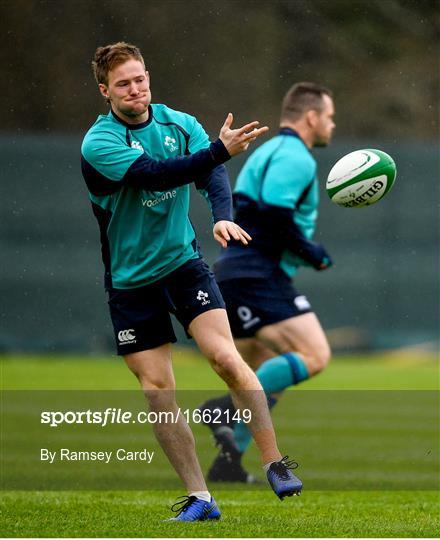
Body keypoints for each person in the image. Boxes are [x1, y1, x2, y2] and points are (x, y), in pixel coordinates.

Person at [81, 42, 302, 522]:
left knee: (225, 357)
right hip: (130, 282)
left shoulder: (179, 123)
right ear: (105, 91)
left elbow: (211, 174)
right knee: (157, 390)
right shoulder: (99, 143)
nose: (135, 88)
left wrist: (222, 216)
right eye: (123, 83)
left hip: (183, 264)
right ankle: (201, 498)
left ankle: (274, 461)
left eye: (140, 78)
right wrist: (218, 149)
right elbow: (155, 174)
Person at [200, 82, 336, 483]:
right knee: (314, 355)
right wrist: (313, 253)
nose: (331, 124)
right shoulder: (297, 157)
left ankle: (229, 462)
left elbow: (251, 211)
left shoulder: (264, 153)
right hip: (259, 274)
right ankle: (223, 408)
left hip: (233, 271)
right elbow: (274, 216)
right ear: (311, 117)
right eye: (329, 116)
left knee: (262, 368)